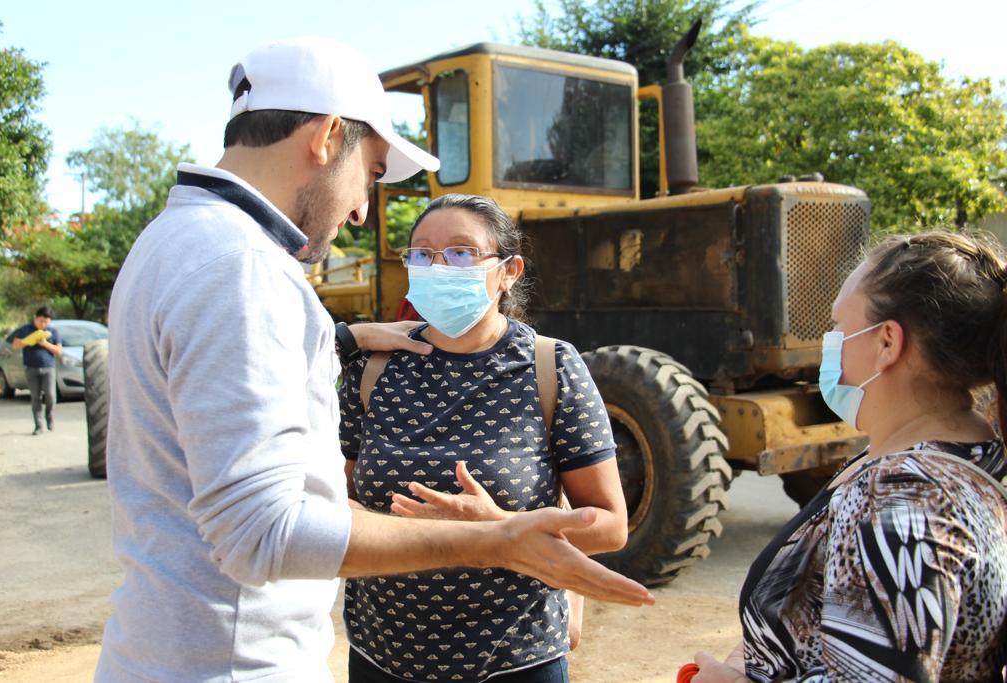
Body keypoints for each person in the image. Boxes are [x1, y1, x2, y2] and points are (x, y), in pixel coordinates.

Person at [95, 37, 651, 683]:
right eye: (374, 172)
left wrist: (343, 335)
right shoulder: (243, 268)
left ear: (508, 272)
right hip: (233, 662)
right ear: (329, 136)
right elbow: (262, 531)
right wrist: (496, 540)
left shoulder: (174, 240)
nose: (362, 208)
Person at [690, 230, 1007, 683]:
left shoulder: (902, 498)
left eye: (839, 327)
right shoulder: (972, 458)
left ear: (887, 343)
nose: (831, 341)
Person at [339, 194, 628, 683]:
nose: (438, 267)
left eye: (459, 253)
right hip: (381, 655)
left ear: (508, 271)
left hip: (515, 659)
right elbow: (334, 500)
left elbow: (609, 525)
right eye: (423, 254)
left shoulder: (549, 366)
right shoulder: (372, 370)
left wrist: (500, 526)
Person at [10, 306, 62, 435]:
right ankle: (38, 426)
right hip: (31, 368)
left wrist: (45, 344)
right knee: (35, 397)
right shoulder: (25, 329)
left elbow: (59, 351)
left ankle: (49, 416)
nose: (43, 324)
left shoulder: (53, 332)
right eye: (41, 321)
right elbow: (15, 345)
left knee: (50, 396)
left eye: (46, 322)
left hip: (48, 367)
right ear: (35, 318)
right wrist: (29, 341)